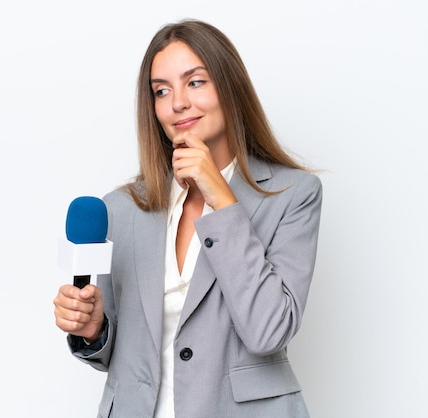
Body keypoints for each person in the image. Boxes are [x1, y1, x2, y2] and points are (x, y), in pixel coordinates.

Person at [53, 18, 323, 418]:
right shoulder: (122, 208)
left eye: (195, 82)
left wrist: (222, 198)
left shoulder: (292, 195)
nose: (177, 103)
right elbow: (120, 355)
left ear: (230, 89)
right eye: (162, 91)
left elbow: (269, 330)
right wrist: (94, 330)